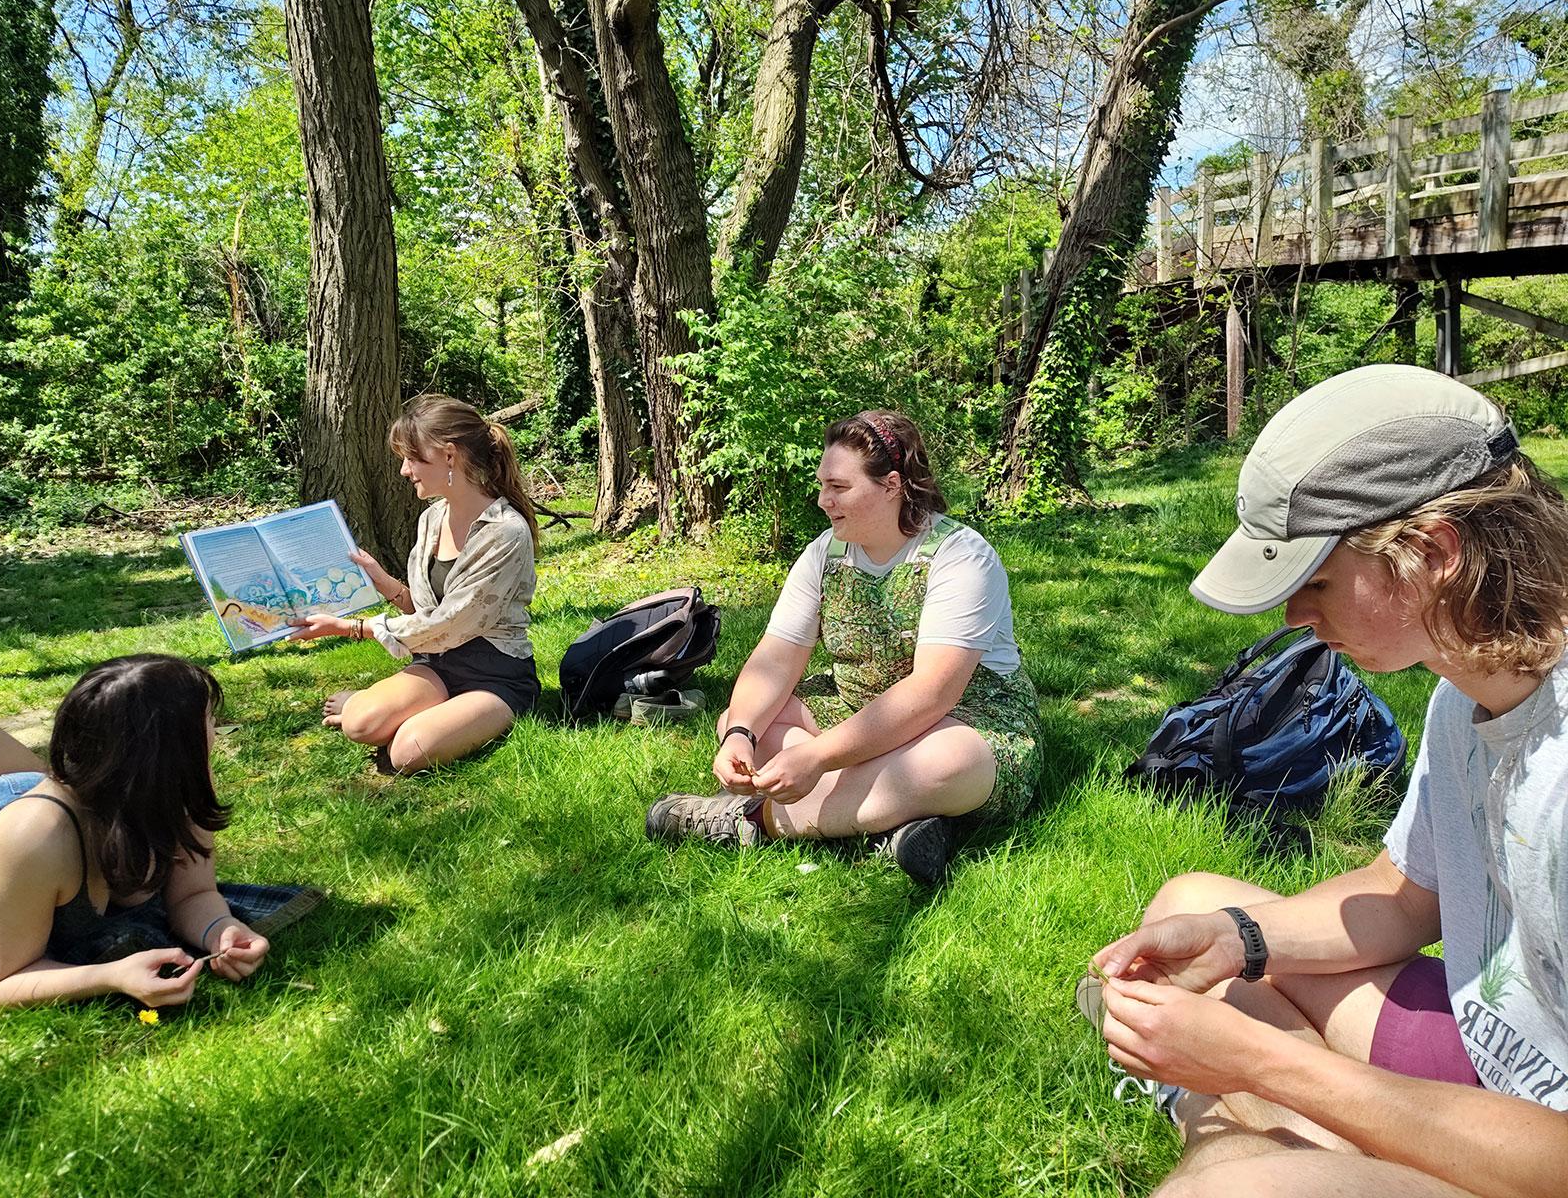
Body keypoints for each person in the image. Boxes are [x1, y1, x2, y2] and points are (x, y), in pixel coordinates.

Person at [1088, 364, 1568, 1197]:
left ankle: (1248, 1145)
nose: (1293, 619)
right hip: (1492, 1049)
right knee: (1190, 905)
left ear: (1432, 556)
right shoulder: (1467, 687)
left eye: (1314, 580)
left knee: (1233, 1183)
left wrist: (1262, 1065)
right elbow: (1407, 894)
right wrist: (1240, 939)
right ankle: (1298, 1152)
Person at [645, 409, 1043, 884]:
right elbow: (774, 660)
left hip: (968, 720)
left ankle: (745, 821)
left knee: (946, 764)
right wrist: (741, 736)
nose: (822, 500)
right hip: (855, 708)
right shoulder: (823, 555)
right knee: (743, 719)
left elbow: (932, 694)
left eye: (838, 487)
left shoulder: (961, 557)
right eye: (822, 485)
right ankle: (892, 827)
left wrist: (816, 757)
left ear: (892, 485)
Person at [0, 655, 312, 1011]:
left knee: (25, 777)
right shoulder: (32, 842)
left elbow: (193, 894)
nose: (215, 730)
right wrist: (110, 976)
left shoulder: (176, 789)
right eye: (208, 721)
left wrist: (220, 930)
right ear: (172, 752)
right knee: (15, 790)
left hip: (70, 799)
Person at [291, 394, 541, 772]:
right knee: (360, 724)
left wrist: (351, 629)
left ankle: (425, 718)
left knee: (406, 753)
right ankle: (403, 711)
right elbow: (429, 611)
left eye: (412, 458)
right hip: (435, 664)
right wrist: (385, 583)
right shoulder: (432, 519)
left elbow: (453, 622)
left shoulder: (505, 532)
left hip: (493, 674)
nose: (405, 471)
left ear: (449, 455)